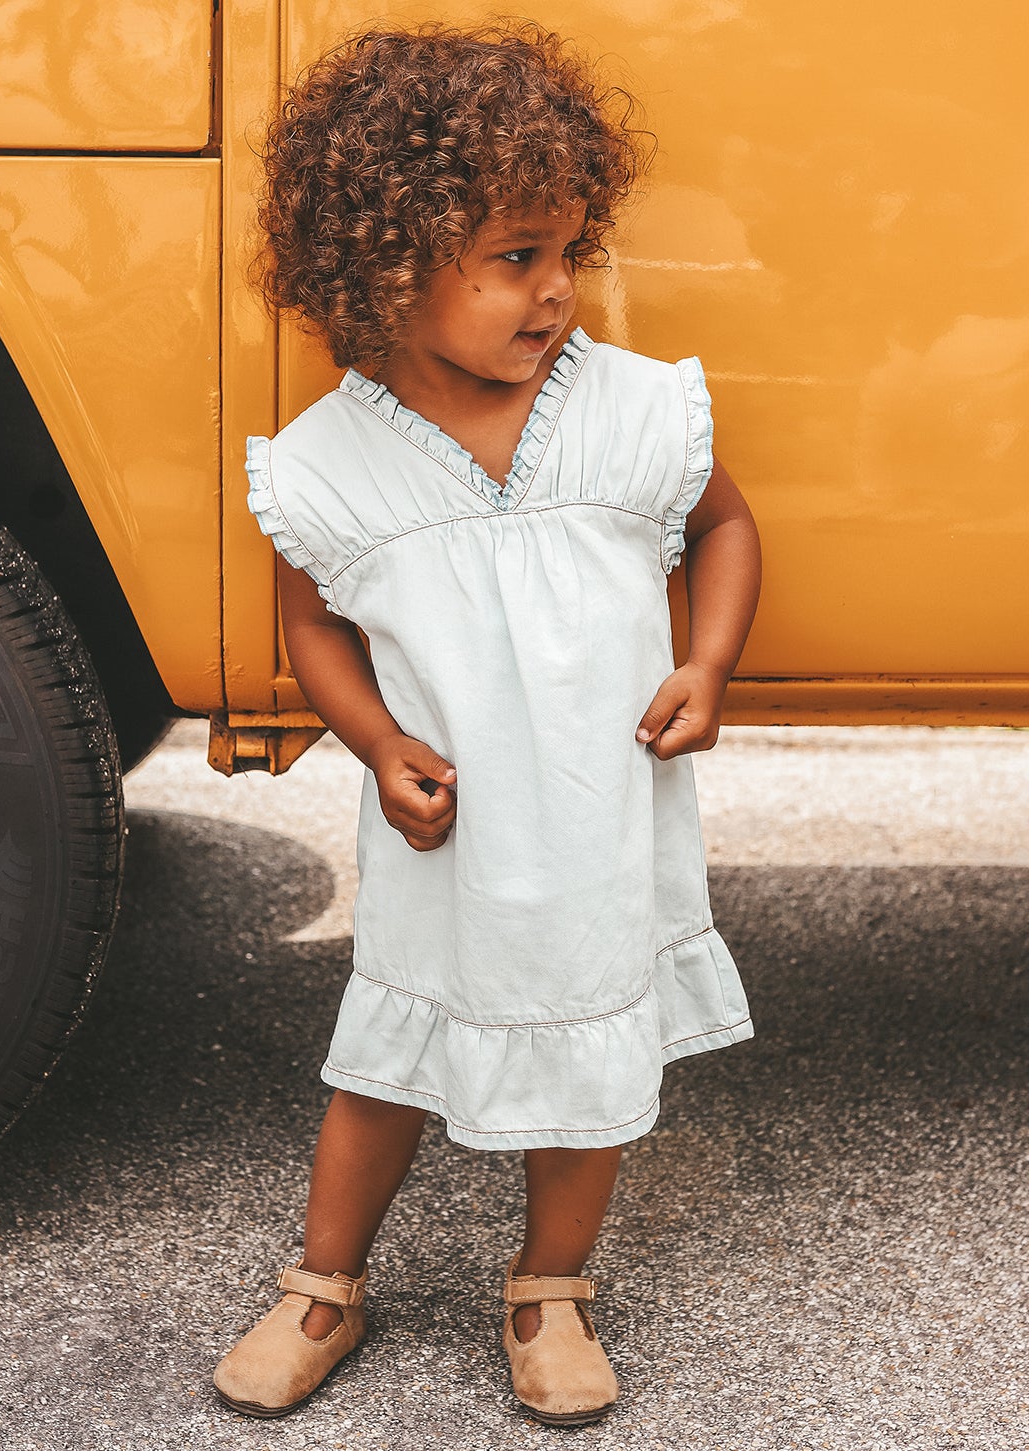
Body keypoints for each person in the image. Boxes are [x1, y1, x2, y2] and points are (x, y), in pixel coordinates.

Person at [213, 24, 762, 1425]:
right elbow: (313, 626)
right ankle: (323, 1280)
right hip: (443, 829)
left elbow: (724, 524)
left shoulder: (632, 413)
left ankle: (549, 1287)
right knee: (387, 1058)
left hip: (590, 821)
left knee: (589, 1066)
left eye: (566, 252)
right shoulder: (333, 462)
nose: (555, 293)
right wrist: (373, 740)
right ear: (387, 267)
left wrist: (704, 660)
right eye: (514, 259)